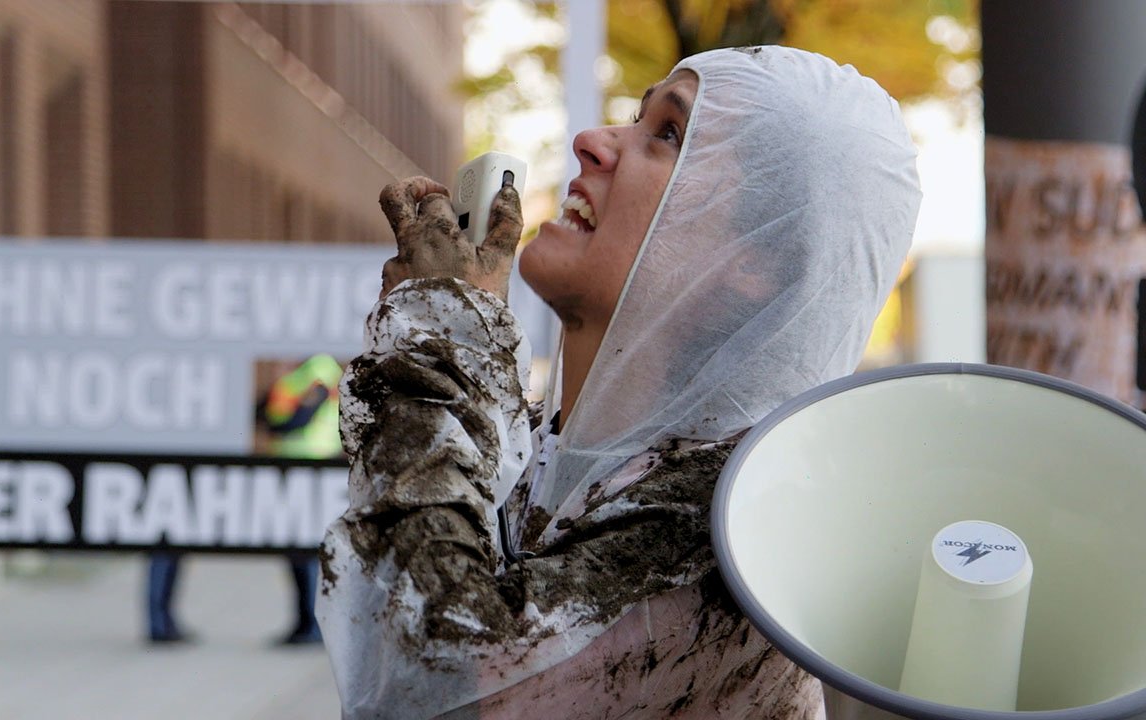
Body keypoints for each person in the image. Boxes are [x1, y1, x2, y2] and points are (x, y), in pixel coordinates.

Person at [318, 46, 922, 718]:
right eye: (638, 119)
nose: (592, 142)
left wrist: (441, 335)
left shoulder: (732, 526)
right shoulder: (539, 446)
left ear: (754, 258)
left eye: (668, 135)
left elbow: (438, 679)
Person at [256, 354, 344, 645]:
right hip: (291, 471)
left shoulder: (319, 370)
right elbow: (264, 415)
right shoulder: (295, 376)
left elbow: (291, 422)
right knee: (294, 552)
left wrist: (274, 423)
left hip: (312, 470)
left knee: (308, 553)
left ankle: (313, 625)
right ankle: (302, 622)